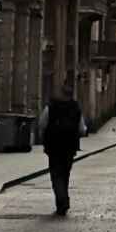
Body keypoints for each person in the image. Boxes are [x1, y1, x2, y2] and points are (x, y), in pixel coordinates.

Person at [39, 86, 86, 215]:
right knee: (65, 174)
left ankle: (62, 200)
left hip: (53, 147)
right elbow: (82, 129)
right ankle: (63, 201)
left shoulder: (51, 107)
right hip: (70, 148)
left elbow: (42, 124)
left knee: (56, 175)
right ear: (71, 95)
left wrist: (45, 136)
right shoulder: (76, 108)